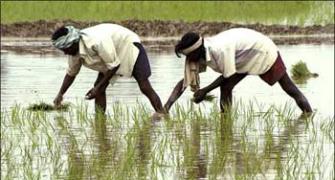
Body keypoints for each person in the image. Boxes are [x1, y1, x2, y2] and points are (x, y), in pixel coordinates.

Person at [164, 28, 312, 113]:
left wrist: (205, 90)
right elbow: (185, 81)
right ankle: (226, 120)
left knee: (288, 87)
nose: (188, 60)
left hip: (262, 50)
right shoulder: (198, 55)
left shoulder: (219, 50)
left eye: (188, 56)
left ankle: (308, 114)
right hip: (242, 57)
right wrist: (166, 108)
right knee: (226, 87)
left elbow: (228, 75)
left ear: (196, 51)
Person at [52, 23, 165, 116]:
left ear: (73, 42)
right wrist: (60, 94)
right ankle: (100, 120)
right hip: (110, 55)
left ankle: (162, 113)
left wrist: (97, 88)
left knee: (144, 86)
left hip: (128, 45)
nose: (64, 52)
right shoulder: (73, 52)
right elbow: (71, 74)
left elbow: (114, 65)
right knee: (99, 87)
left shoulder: (96, 41)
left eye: (65, 49)